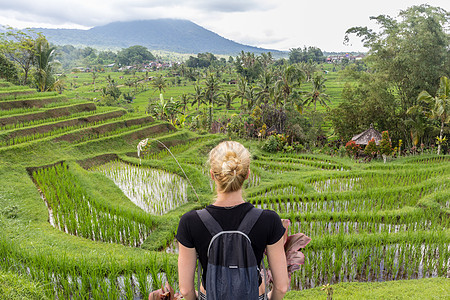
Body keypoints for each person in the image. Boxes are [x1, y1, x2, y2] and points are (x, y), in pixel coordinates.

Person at [176, 141, 290, 300]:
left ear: (212, 174)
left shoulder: (190, 221)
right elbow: (281, 287)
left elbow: (186, 290)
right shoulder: (269, 219)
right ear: (248, 174)